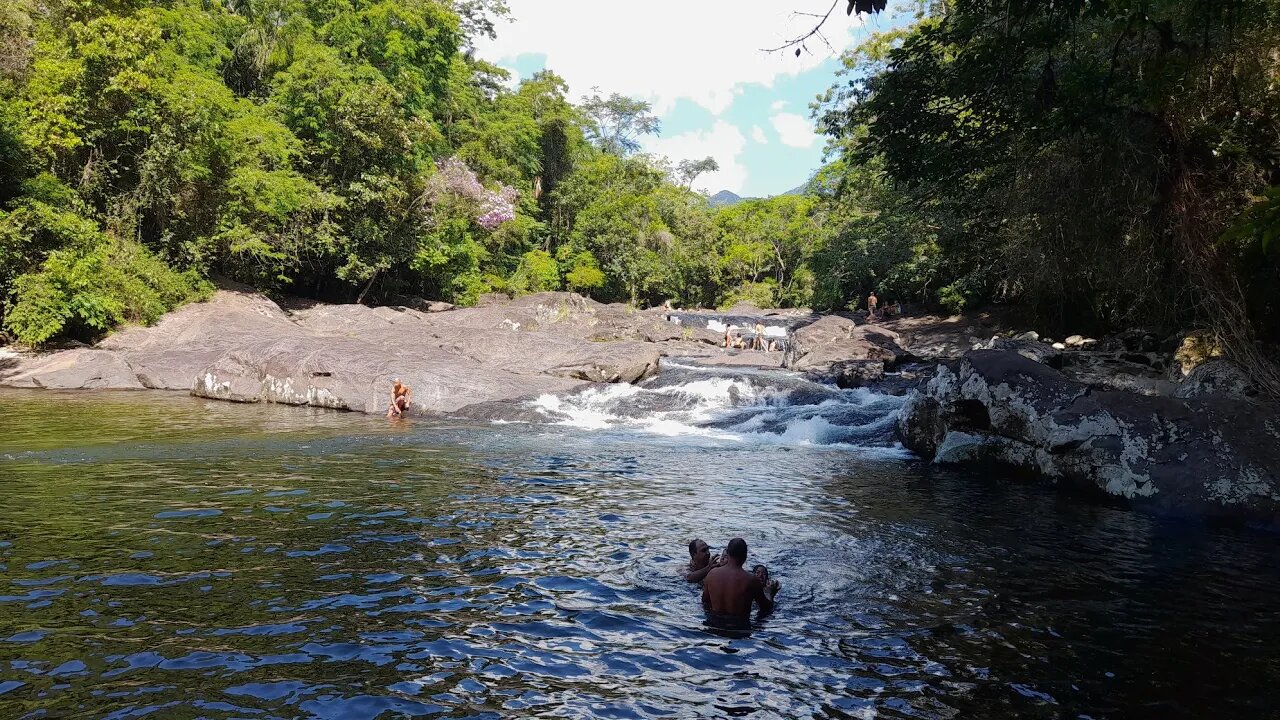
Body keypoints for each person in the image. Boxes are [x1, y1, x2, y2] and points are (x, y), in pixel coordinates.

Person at [702, 538, 779, 618]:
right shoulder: (751, 580)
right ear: (745, 556)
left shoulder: (711, 574)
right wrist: (769, 593)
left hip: (713, 627)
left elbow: (705, 601)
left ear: (728, 554)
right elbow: (766, 608)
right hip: (739, 628)